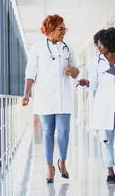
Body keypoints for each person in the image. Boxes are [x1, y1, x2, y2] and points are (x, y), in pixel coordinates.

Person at [21, 14, 79, 183]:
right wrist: (26, 94)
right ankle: (49, 166)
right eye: (61, 29)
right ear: (50, 29)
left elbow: (76, 71)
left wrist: (72, 71)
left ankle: (61, 161)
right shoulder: (37, 48)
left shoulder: (68, 48)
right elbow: (30, 73)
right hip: (45, 98)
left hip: (64, 97)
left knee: (63, 132)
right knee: (47, 132)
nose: (64, 32)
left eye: (64, 29)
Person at [78, 27, 115, 184]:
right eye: (97, 44)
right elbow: (94, 84)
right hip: (103, 107)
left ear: (110, 43)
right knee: (106, 140)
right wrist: (86, 82)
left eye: (101, 44)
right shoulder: (95, 62)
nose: (99, 47)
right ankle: (110, 170)